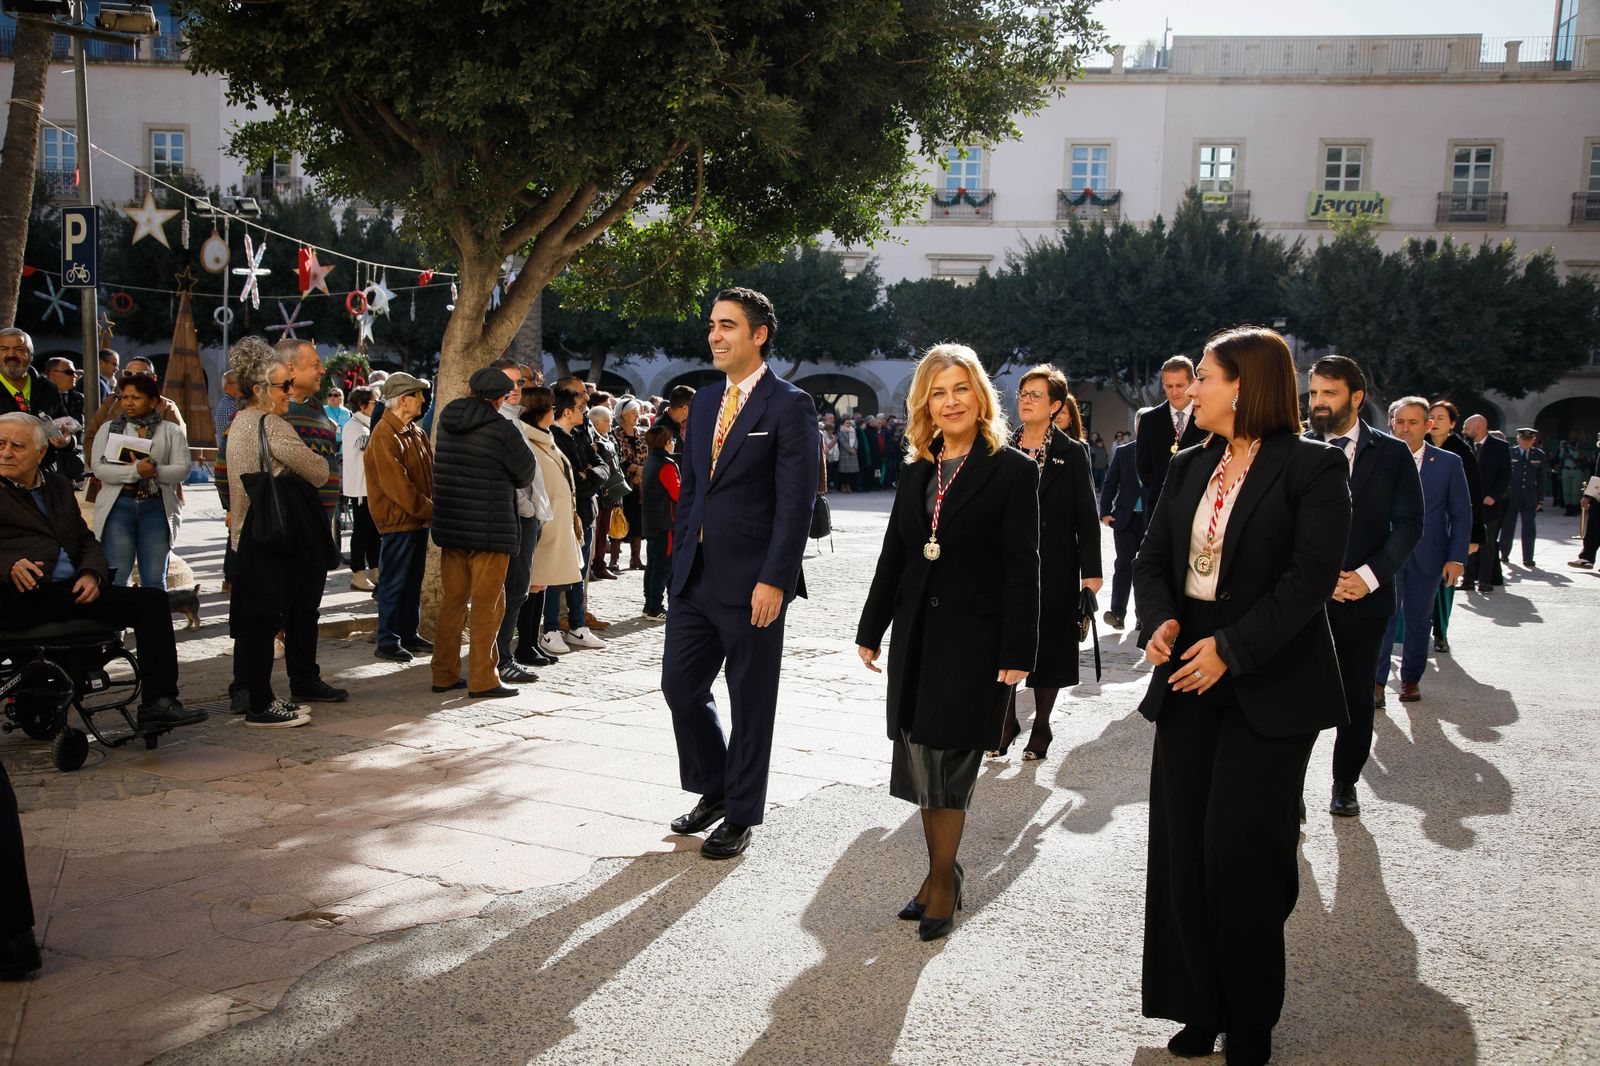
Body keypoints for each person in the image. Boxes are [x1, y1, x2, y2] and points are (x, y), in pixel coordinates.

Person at [1134, 327, 1350, 1066]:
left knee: (1243, 854)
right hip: (1188, 677)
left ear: (1245, 385)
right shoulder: (1189, 462)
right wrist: (1159, 618)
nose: (1192, 390)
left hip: (1270, 682)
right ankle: (1199, 1004)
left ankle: (1252, 1018)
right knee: (1185, 849)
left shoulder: (1314, 469)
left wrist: (1232, 648)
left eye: (1206, 377)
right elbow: (1154, 556)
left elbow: (1309, 580)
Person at [856, 344, 1039, 941]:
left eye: (961, 388)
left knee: (948, 764)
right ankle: (944, 873)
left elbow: (1022, 566)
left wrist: (1018, 651)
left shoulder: (1011, 469)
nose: (951, 400)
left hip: (975, 643)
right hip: (918, 638)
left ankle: (940, 884)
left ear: (980, 396)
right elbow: (895, 555)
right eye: (939, 391)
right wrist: (870, 626)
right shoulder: (916, 469)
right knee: (920, 760)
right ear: (925, 404)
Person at [662, 286, 820, 861]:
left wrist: (775, 578)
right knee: (680, 687)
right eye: (711, 325)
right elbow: (694, 490)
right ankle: (717, 785)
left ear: (759, 335)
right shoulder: (703, 402)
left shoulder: (789, 405)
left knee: (750, 701)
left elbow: (795, 501)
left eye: (728, 325)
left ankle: (741, 813)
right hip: (695, 579)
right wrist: (680, 558)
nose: (715, 335)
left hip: (754, 582)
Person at [0, 411, 203, 732]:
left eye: (17, 445)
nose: (6, 452)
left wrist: (92, 574)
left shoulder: (57, 486)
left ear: (40, 453)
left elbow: (85, 540)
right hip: (25, 594)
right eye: (0, 444)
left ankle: (159, 703)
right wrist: (8, 563)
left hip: (74, 589)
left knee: (152, 601)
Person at [1305, 355, 1421, 816]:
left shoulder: (1392, 454)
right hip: (1305, 601)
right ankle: (1287, 788)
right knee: (1296, 695)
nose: (1318, 402)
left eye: (1328, 393)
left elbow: (1409, 523)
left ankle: (1344, 784)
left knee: (1355, 697)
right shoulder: (1293, 448)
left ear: (1356, 397)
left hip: (1365, 601)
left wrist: (1367, 578)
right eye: (1313, 393)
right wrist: (1317, 580)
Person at [225, 338, 345, 726]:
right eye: (282, 387)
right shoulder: (270, 424)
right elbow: (318, 470)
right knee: (263, 624)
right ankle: (260, 702)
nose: (288, 393)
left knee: (259, 621)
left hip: (251, 535)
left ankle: (264, 695)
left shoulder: (241, 422)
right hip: (273, 539)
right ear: (262, 389)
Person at [992, 364, 1100, 761]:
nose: (1026, 400)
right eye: (1023, 393)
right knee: (1003, 641)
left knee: (1050, 645)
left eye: (1036, 395)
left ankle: (1041, 724)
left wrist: (1092, 574)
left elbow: (1087, 515)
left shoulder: (1072, 453)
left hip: (1055, 564)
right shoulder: (1000, 445)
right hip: (1003, 565)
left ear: (1056, 405)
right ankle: (1005, 720)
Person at [429, 367, 536, 699]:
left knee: (454, 602)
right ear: (499, 398)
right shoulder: (501, 428)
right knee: (489, 605)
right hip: (490, 528)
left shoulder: (448, 419)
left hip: (452, 524)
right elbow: (525, 472)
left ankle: (444, 673)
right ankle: (483, 678)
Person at [1376, 397, 1471, 706]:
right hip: (1384, 555)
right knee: (1383, 618)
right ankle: (1376, 683)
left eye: (1413, 422)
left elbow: (1461, 513)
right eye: (1400, 422)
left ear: (1428, 425)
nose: (1406, 429)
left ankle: (1410, 680)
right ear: (1391, 424)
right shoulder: (1376, 459)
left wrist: (1456, 558)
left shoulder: (1448, 463)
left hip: (1428, 555)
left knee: (1419, 619)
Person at [89, 371, 189, 589]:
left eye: (136, 398)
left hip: (156, 506)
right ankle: (116, 622)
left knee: (154, 577)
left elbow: (182, 470)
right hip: (118, 505)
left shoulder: (170, 431)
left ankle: (152, 623)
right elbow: (98, 468)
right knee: (116, 575)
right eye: (125, 397)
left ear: (153, 401)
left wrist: (153, 472)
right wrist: (135, 472)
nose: (128, 403)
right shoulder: (108, 428)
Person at [364, 373, 435, 662]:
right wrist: (431, 509)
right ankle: (388, 640)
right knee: (394, 582)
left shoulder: (414, 431)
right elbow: (398, 487)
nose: (422, 400)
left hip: (416, 519)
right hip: (399, 521)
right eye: (418, 395)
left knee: (411, 580)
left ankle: (408, 633)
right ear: (404, 399)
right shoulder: (384, 434)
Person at [491, 362, 553, 683]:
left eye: (520, 382)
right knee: (513, 590)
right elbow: (513, 478)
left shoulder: (512, 421)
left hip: (525, 516)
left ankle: (503, 655)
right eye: (510, 383)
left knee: (517, 591)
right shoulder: (502, 422)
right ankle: (502, 658)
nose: (516, 388)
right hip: (516, 517)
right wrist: (528, 509)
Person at [524, 385, 584, 662]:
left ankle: (531, 643)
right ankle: (528, 642)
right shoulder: (530, 440)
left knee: (542, 585)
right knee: (534, 585)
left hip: (554, 523)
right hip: (540, 525)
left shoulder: (544, 438)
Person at [544, 388, 607, 652]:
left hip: (587, 512)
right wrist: (587, 477)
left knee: (579, 576)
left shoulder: (581, 433)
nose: (586, 412)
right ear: (567, 411)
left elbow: (603, 467)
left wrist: (588, 475)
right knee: (556, 576)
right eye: (580, 408)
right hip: (565, 516)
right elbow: (570, 483)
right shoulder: (554, 438)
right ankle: (550, 629)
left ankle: (578, 625)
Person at [1426, 400, 1482, 652]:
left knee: (1445, 585)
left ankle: (1441, 634)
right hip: (1421, 529)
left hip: (1450, 529)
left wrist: (1473, 537)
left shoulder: (1461, 452)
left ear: (1452, 423)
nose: (1435, 422)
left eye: (1441, 417)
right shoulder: (1416, 447)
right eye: (1432, 417)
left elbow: (1473, 500)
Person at [0, 328, 83, 481]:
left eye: (19, 349)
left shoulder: (47, 388)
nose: (11, 355)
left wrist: (66, 442)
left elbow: (67, 431)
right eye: (4, 349)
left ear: (30, 355)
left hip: (43, 478)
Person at [279, 340, 341, 536]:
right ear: (291, 370)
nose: (322, 371)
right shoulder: (269, 410)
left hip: (318, 528)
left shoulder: (317, 408)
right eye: (316, 365)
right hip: (289, 530)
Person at [1135, 355, 1207, 516]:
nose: (1174, 392)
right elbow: (1143, 467)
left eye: (1180, 385)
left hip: (1199, 507)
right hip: (1159, 508)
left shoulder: (1208, 417)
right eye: (1169, 386)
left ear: (1193, 382)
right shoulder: (1149, 420)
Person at [1099, 412, 1145, 629]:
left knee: (1146, 568)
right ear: (1135, 426)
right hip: (1124, 519)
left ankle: (1143, 617)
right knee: (1123, 565)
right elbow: (1110, 483)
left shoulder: (1163, 452)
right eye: (1141, 424)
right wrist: (1105, 512)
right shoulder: (1125, 452)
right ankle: (1118, 613)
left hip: (1150, 520)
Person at [1463, 414, 1511, 592]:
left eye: (1467, 428)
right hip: (1467, 505)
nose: (1464, 431)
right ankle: (1467, 580)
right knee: (1467, 542)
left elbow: (1505, 475)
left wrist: (1493, 495)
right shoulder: (1464, 446)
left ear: (1478, 427)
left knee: (1487, 543)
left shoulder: (1500, 447)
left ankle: (1485, 581)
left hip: (1489, 505)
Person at [341, 387, 380, 591]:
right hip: (360, 489)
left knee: (374, 533)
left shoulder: (366, 424)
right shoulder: (353, 425)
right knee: (361, 533)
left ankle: (375, 570)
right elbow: (370, 445)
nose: (378, 405)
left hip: (371, 489)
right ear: (362, 405)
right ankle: (358, 574)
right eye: (375, 402)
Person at [640, 422, 679, 620]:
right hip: (665, 523)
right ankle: (655, 606)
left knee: (654, 565)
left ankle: (650, 604)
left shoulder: (650, 462)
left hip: (652, 521)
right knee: (663, 567)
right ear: (666, 442)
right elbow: (677, 493)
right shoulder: (666, 464)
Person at [1500, 428, 1547, 569]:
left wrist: (1541, 499)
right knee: (1508, 527)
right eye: (1523, 439)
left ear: (1533, 440)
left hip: (1529, 497)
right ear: (1518, 439)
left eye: (1529, 440)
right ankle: (1504, 554)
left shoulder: (1539, 454)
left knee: (1529, 528)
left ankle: (1528, 558)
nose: (1526, 442)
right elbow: (1503, 475)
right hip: (1511, 496)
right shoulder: (1509, 452)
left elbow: (1542, 478)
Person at [588, 405, 625, 581]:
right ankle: (591, 566)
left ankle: (600, 564)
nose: (611, 424)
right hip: (597, 490)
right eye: (608, 421)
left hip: (610, 491)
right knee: (595, 531)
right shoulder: (590, 439)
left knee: (604, 530)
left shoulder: (610, 437)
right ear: (597, 422)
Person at [613, 398, 649, 570]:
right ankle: (614, 559)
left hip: (640, 485)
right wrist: (633, 468)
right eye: (633, 413)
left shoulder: (643, 433)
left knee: (638, 521)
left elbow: (649, 455)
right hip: (622, 483)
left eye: (637, 412)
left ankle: (635, 558)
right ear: (623, 415)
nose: (637, 415)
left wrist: (641, 471)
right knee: (619, 517)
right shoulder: (615, 434)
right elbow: (616, 457)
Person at [43, 358, 83, 431]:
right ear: (53, 375)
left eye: (75, 372)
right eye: (69, 372)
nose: (75, 376)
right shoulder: (39, 397)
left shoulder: (79, 398)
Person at [214, 369, 242, 443]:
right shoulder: (231, 406)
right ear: (227, 386)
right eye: (238, 382)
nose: (241, 386)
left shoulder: (225, 402)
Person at [837, 416, 859, 492]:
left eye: (849, 422)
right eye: (846, 423)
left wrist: (855, 448)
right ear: (843, 423)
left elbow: (856, 440)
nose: (848, 424)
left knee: (851, 472)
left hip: (853, 454)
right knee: (844, 472)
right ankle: (843, 486)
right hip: (845, 454)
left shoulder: (853, 431)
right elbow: (843, 442)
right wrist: (850, 450)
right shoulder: (840, 432)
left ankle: (849, 486)